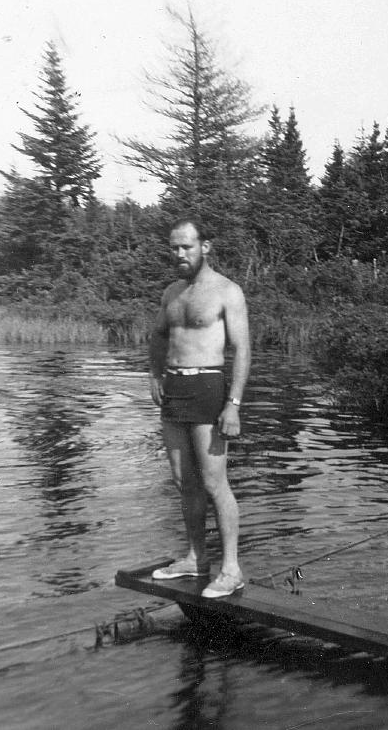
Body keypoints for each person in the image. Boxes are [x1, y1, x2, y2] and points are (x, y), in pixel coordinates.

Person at [148, 217, 250, 598]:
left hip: (208, 386)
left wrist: (233, 404)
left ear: (205, 246)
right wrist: (154, 375)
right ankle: (195, 557)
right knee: (183, 482)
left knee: (213, 482)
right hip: (173, 389)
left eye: (186, 247)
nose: (179, 254)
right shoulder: (172, 293)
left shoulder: (227, 291)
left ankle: (231, 569)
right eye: (174, 247)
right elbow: (158, 337)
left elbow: (242, 350)